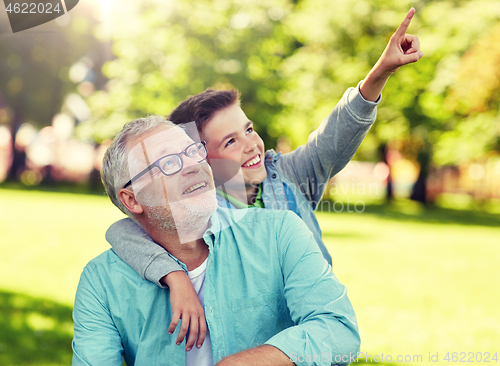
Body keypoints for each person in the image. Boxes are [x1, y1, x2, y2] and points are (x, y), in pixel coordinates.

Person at [105, 7, 423, 351]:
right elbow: (125, 231)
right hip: (241, 346)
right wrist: (175, 275)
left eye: (248, 129)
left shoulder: (289, 177)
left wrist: (380, 73)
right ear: (198, 158)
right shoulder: (196, 209)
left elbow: (334, 136)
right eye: (230, 142)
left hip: (307, 342)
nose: (250, 145)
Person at [72, 116, 360, 366]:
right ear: (132, 199)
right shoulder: (102, 281)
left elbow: (339, 331)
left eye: (193, 151)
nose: (193, 166)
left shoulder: (279, 232)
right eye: (169, 162)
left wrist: (250, 361)